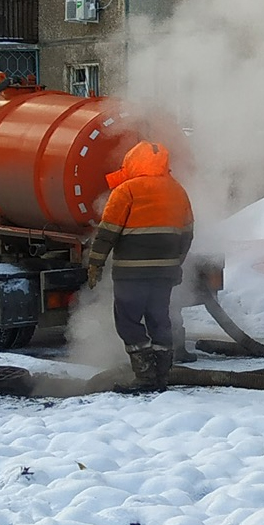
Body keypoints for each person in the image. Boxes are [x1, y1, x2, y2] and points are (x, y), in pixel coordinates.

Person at [86, 141, 195, 393]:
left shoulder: (126, 191)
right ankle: (162, 375)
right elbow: (187, 234)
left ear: (133, 162)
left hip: (130, 273)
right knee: (160, 319)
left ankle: (145, 375)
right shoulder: (178, 191)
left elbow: (107, 234)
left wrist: (95, 265)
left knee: (128, 321)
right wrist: (175, 263)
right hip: (164, 273)